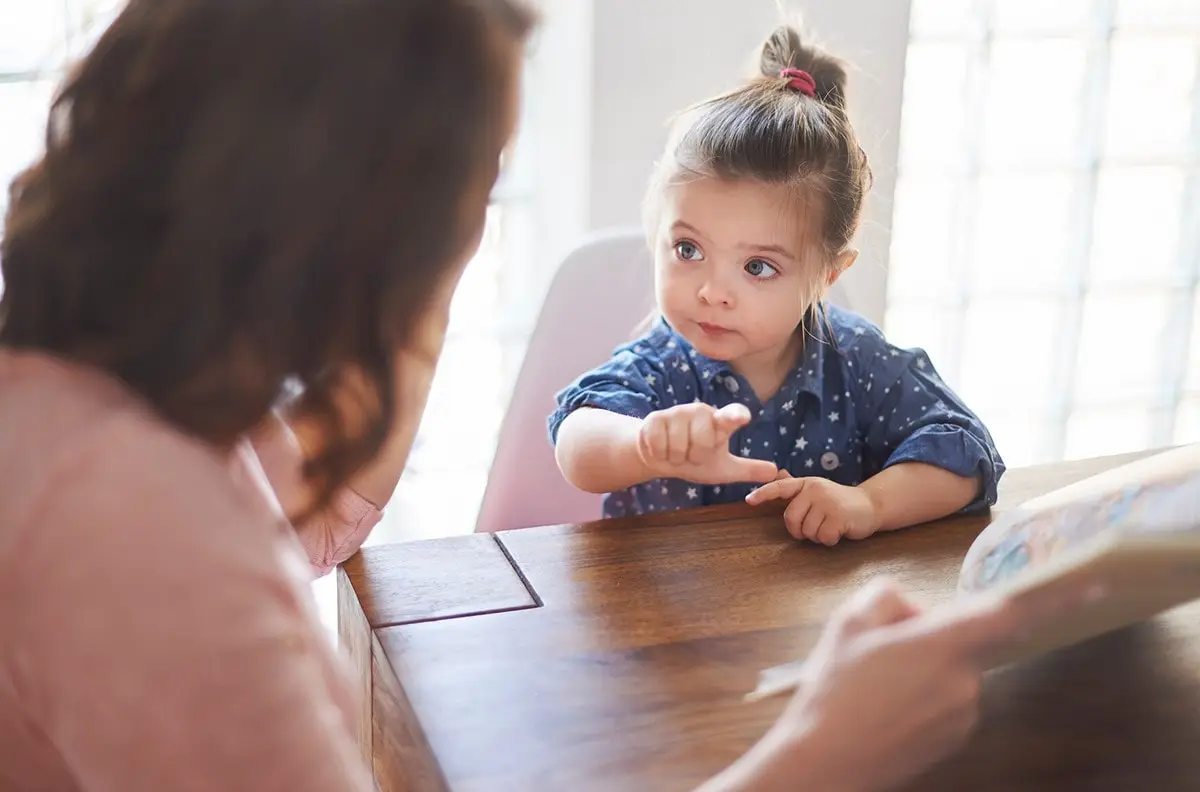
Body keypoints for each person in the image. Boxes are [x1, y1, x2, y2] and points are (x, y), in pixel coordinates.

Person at [0, 3, 1076, 790]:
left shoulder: (119, 391)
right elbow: (580, 434)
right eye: (467, 192)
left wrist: (414, 300)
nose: (471, 235)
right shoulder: (121, 515)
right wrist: (824, 756)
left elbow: (306, 522)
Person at [550, 24, 1003, 546]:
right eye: (688, 250)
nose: (712, 292)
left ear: (828, 275)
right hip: (659, 617)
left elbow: (966, 454)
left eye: (758, 267)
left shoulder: (858, 362)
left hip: (808, 619)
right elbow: (576, 441)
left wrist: (870, 503)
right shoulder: (660, 366)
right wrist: (644, 445)